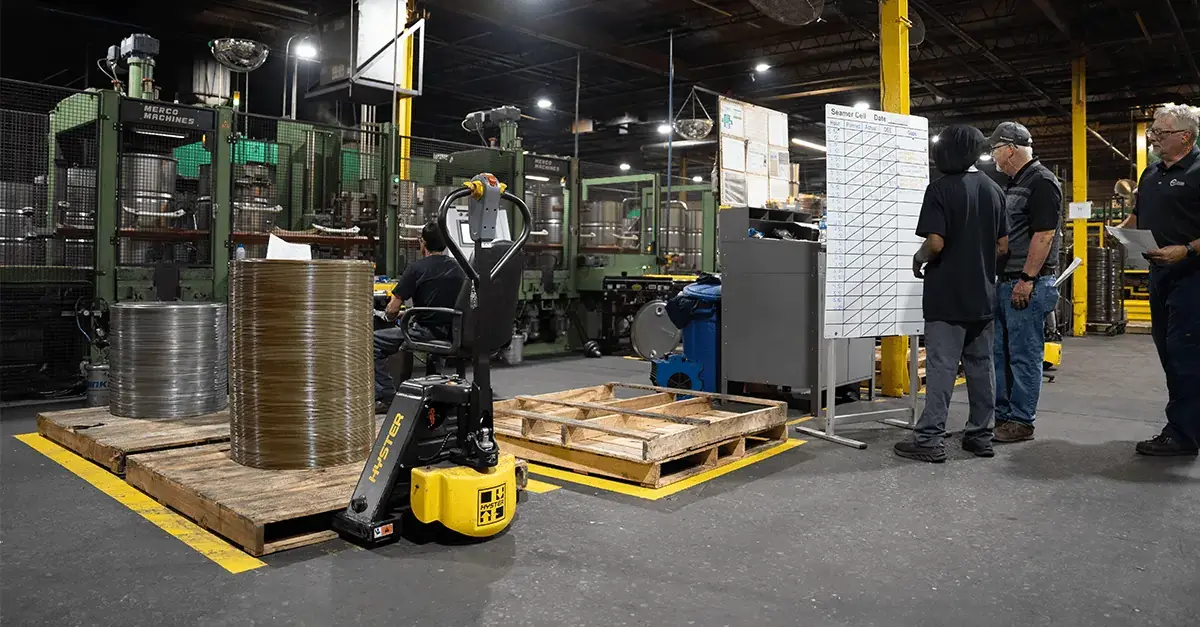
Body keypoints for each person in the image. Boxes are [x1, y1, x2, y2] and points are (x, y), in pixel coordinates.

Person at [894, 125, 1008, 463]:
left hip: (946, 295)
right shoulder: (994, 189)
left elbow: (935, 243)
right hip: (982, 294)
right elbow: (1003, 246)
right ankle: (980, 436)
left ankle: (929, 440)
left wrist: (918, 259)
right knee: (981, 366)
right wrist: (979, 262)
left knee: (942, 367)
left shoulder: (940, 189)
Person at [1117, 104, 1200, 456]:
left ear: (1186, 137)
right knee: (1168, 351)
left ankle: (1182, 435)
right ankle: (1188, 424)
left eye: (1160, 133)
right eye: (1153, 131)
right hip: (1159, 275)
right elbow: (1138, 216)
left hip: (1193, 277)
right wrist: (1121, 231)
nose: (1153, 138)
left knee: (1184, 353)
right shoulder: (1149, 174)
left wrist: (1187, 250)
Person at [987, 121, 1063, 443]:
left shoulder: (1041, 181)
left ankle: (1022, 421)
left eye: (994, 150)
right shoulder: (1014, 183)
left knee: (1024, 355)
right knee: (1002, 355)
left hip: (1026, 284)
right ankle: (1004, 416)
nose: (993, 157)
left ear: (1010, 149)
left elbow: (1044, 235)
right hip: (1006, 282)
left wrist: (1027, 279)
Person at [374, 222, 465, 413]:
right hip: (454, 332)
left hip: (424, 331)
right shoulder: (461, 268)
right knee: (434, 348)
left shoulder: (416, 268)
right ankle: (435, 394)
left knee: (373, 343)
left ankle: (387, 396)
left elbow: (392, 309)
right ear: (446, 244)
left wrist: (391, 315)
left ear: (422, 243)